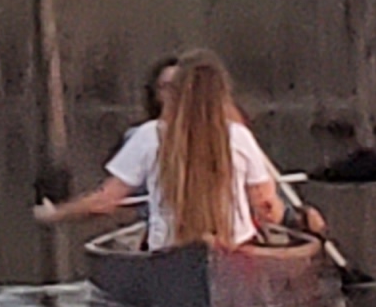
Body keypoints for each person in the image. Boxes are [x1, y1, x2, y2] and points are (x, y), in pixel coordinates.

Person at [31, 52, 318, 244]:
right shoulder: (239, 137)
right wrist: (297, 219)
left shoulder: (147, 136)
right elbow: (268, 210)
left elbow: (105, 202)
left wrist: (55, 215)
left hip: (168, 253)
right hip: (236, 252)